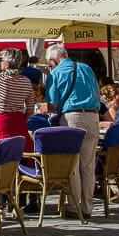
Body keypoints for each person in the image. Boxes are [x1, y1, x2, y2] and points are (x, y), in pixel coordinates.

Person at [43, 44, 99, 219]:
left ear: (53, 60)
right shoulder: (87, 68)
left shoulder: (56, 73)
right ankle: (88, 207)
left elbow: (53, 103)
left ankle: (74, 206)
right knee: (88, 165)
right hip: (93, 116)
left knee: (72, 164)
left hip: (72, 117)